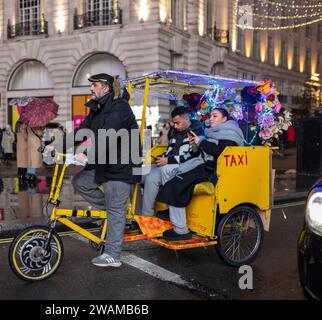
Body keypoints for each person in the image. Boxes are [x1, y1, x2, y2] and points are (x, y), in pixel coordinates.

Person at [50, 73, 140, 268]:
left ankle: (113, 255)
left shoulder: (120, 108)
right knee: (80, 181)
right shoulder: (98, 109)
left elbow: (109, 137)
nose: (91, 89)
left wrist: (89, 155)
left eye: (95, 85)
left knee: (116, 207)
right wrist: (56, 147)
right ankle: (110, 211)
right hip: (105, 163)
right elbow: (80, 132)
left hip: (121, 166)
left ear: (106, 88)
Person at [157, 107, 245, 241]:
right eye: (210, 116)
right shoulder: (214, 133)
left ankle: (181, 230)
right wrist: (197, 145)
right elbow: (205, 150)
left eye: (215, 116)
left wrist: (201, 142)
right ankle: (176, 219)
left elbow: (220, 152)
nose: (211, 118)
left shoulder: (230, 134)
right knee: (175, 178)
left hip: (214, 172)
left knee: (177, 183)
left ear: (225, 119)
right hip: (204, 167)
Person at [142, 106, 204, 217]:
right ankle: (145, 215)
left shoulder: (197, 132)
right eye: (174, 123)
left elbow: (191, 156)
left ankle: (163, 212)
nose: (175, 126)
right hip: (172, 163)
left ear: (186, 119)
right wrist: (161, 157)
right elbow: (170, 149)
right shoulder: (176, 131)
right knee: (146, 174)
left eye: (177, 123)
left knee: (157, 173)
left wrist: (168, 160)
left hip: (187, 167)